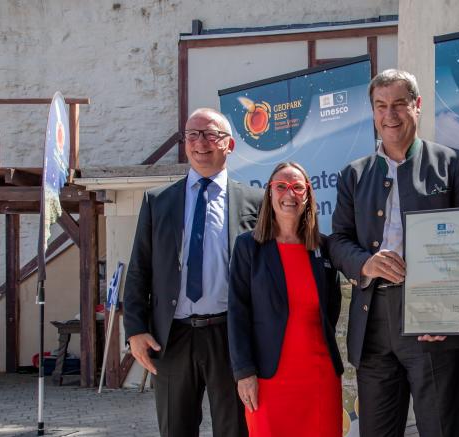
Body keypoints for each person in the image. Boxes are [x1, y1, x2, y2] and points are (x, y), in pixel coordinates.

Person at [329, 69, 459, 437]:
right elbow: (338, 241)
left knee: (444, 429)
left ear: (417, 105)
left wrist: (449, 316)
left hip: (434, 321)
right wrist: (366, 263)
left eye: (398, 104)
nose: (389, 114)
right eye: (380, 106)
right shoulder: (353, 175)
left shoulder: (452, 163)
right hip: (374, 320)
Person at [123, 108, 264, 437]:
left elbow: (266, 278)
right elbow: (139, 269)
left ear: (229, 145)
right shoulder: (157, 201)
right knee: (176, 429)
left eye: (211, 134)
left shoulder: (256, 203)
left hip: (230, 337)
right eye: (192, 135)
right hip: (172, 339)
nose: (201, 143)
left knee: (235, 430)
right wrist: (135, 330)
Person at [228, 162, 343, 437]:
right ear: (269, 192)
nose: (289, 194)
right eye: (281, 186)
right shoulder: (248, 247)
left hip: (320, 378)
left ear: (308, 195)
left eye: (297, 187)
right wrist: (244, 373)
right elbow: (238, 314)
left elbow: (332, 307)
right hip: (267, 380)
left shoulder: (323, 247)